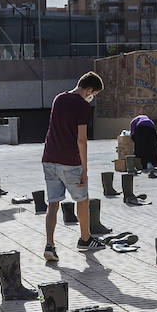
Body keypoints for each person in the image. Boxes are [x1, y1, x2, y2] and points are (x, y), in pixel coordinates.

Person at [41, 71, 104, 262]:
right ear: (89, 90)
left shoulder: (58, 98)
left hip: (49, 158)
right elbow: (82, 140)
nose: (92, 97)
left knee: (53, 203)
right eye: (94, 94)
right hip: (70, 162)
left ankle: (49, 245)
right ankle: (85, 239)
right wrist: (84, 168)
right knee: (82, 199)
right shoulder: (82, 106)